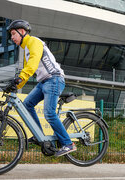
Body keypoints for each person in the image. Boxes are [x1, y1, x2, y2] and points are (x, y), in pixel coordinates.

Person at [7, 20, 77, 156]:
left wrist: (19, 79)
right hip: (44, 81)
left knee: (49, 113)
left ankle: (68, 144)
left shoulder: (34, 42)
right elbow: (29, 70)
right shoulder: (26, 48)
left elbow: (32, 65)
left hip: (54, 78)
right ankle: (39, 135)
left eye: (13, 34)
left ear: (22, 32)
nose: (12, 37)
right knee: (27, 104)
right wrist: (17, 85)